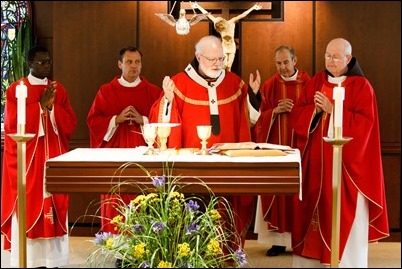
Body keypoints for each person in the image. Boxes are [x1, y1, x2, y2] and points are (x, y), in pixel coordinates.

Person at [290, 38, 389, 267]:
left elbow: (366, 126)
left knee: (342, 216)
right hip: (316, 167)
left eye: (336, 57)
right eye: (327, 56)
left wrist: (333, 109)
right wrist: (314, 111)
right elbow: (298, 115)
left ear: (348, 58)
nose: (330, 61)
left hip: (346, 170)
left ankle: (344, 262)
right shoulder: (316, 81)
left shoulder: (362, 87)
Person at [148, 35, 254, 248]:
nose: (218, 64)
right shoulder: (178, 84)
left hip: (227, 166)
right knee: (193, 217)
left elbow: (247, 122)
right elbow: (162, 125)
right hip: (191, 169)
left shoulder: (235, 83)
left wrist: (255, 95)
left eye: (221, 59)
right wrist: (168, 100)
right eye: (212, 59)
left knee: (226, 213)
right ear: (198, 57)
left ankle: (226, 255)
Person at [1, 46, 77, 267]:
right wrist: (38, 106)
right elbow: (12, 124)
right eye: (41, 62)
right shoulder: (16, 89)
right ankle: (28, 259)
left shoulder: (58, 89)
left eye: (49, 61)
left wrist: (52, 109)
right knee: (28, 202)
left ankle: (54, 260)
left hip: (52, 155)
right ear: (29, 64)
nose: (46, 65)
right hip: (28, 160)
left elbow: (70, 122)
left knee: (55, 200)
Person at [86, 46, 161, 267]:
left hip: (144, 155)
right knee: (118, 201)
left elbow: (164, 123)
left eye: (137, 62)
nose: (134, 66)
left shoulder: (153, 91)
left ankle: (145, 248)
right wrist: (115, 120)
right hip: (115, 155)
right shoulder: (106, 91)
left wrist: (143, 120)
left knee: (142, 201)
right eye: (129, 62)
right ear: (119, 64)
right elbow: (93, 121)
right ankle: (122, 253)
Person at [249, 45, 310, 257]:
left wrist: (299, 111)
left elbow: (317, 115)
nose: (282, 67)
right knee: (277, 193)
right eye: (278, 63)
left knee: (299, 196)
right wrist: (274, 111)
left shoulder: (309, 84)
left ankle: (300, 240)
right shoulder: (269, 85)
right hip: (276, 151)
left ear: (295, 60)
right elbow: (257, 121)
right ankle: (278, 241)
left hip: (302, 150)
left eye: (286, 62)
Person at [192, 1, 262, 71]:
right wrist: (197, 6)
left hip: (231, 47)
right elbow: (207, 14)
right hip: (224, 47)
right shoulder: (217, 23)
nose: (221, 30)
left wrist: (253, 8)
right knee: (224, 65)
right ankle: (223, 79)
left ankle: (228, 80)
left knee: (229, 66)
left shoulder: (231, 22)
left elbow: (243, 14)